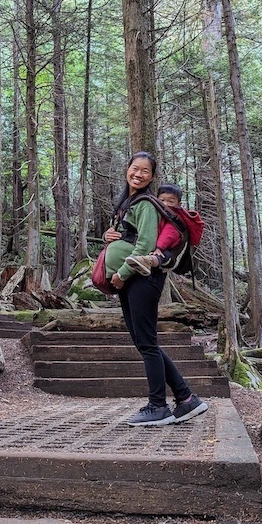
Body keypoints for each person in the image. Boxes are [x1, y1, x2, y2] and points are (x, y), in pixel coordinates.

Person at [104, 153, 208, 427]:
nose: (138, 174)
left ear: (152, 177)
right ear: (127, 169)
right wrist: (110, 235)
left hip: (142, 277)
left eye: (145, 171)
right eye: (134, 168)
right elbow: (130, 236)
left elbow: (147, 245)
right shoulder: (129, 202)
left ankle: (157, 405)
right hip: (132, 279)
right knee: (144, 342)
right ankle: (186, 399)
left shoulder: (148, 204)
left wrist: (121, 275)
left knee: (147, 343)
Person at [125, 182, 185, 275]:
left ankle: (148, 261)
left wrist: (159, 248)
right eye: (162, 200)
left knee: (161, 256)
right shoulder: (159, 213)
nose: (166, 204)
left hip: (167, 247)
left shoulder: (174, 219)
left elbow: (168, 234)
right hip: (160, 245)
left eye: (171, 201)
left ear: (179, 204)